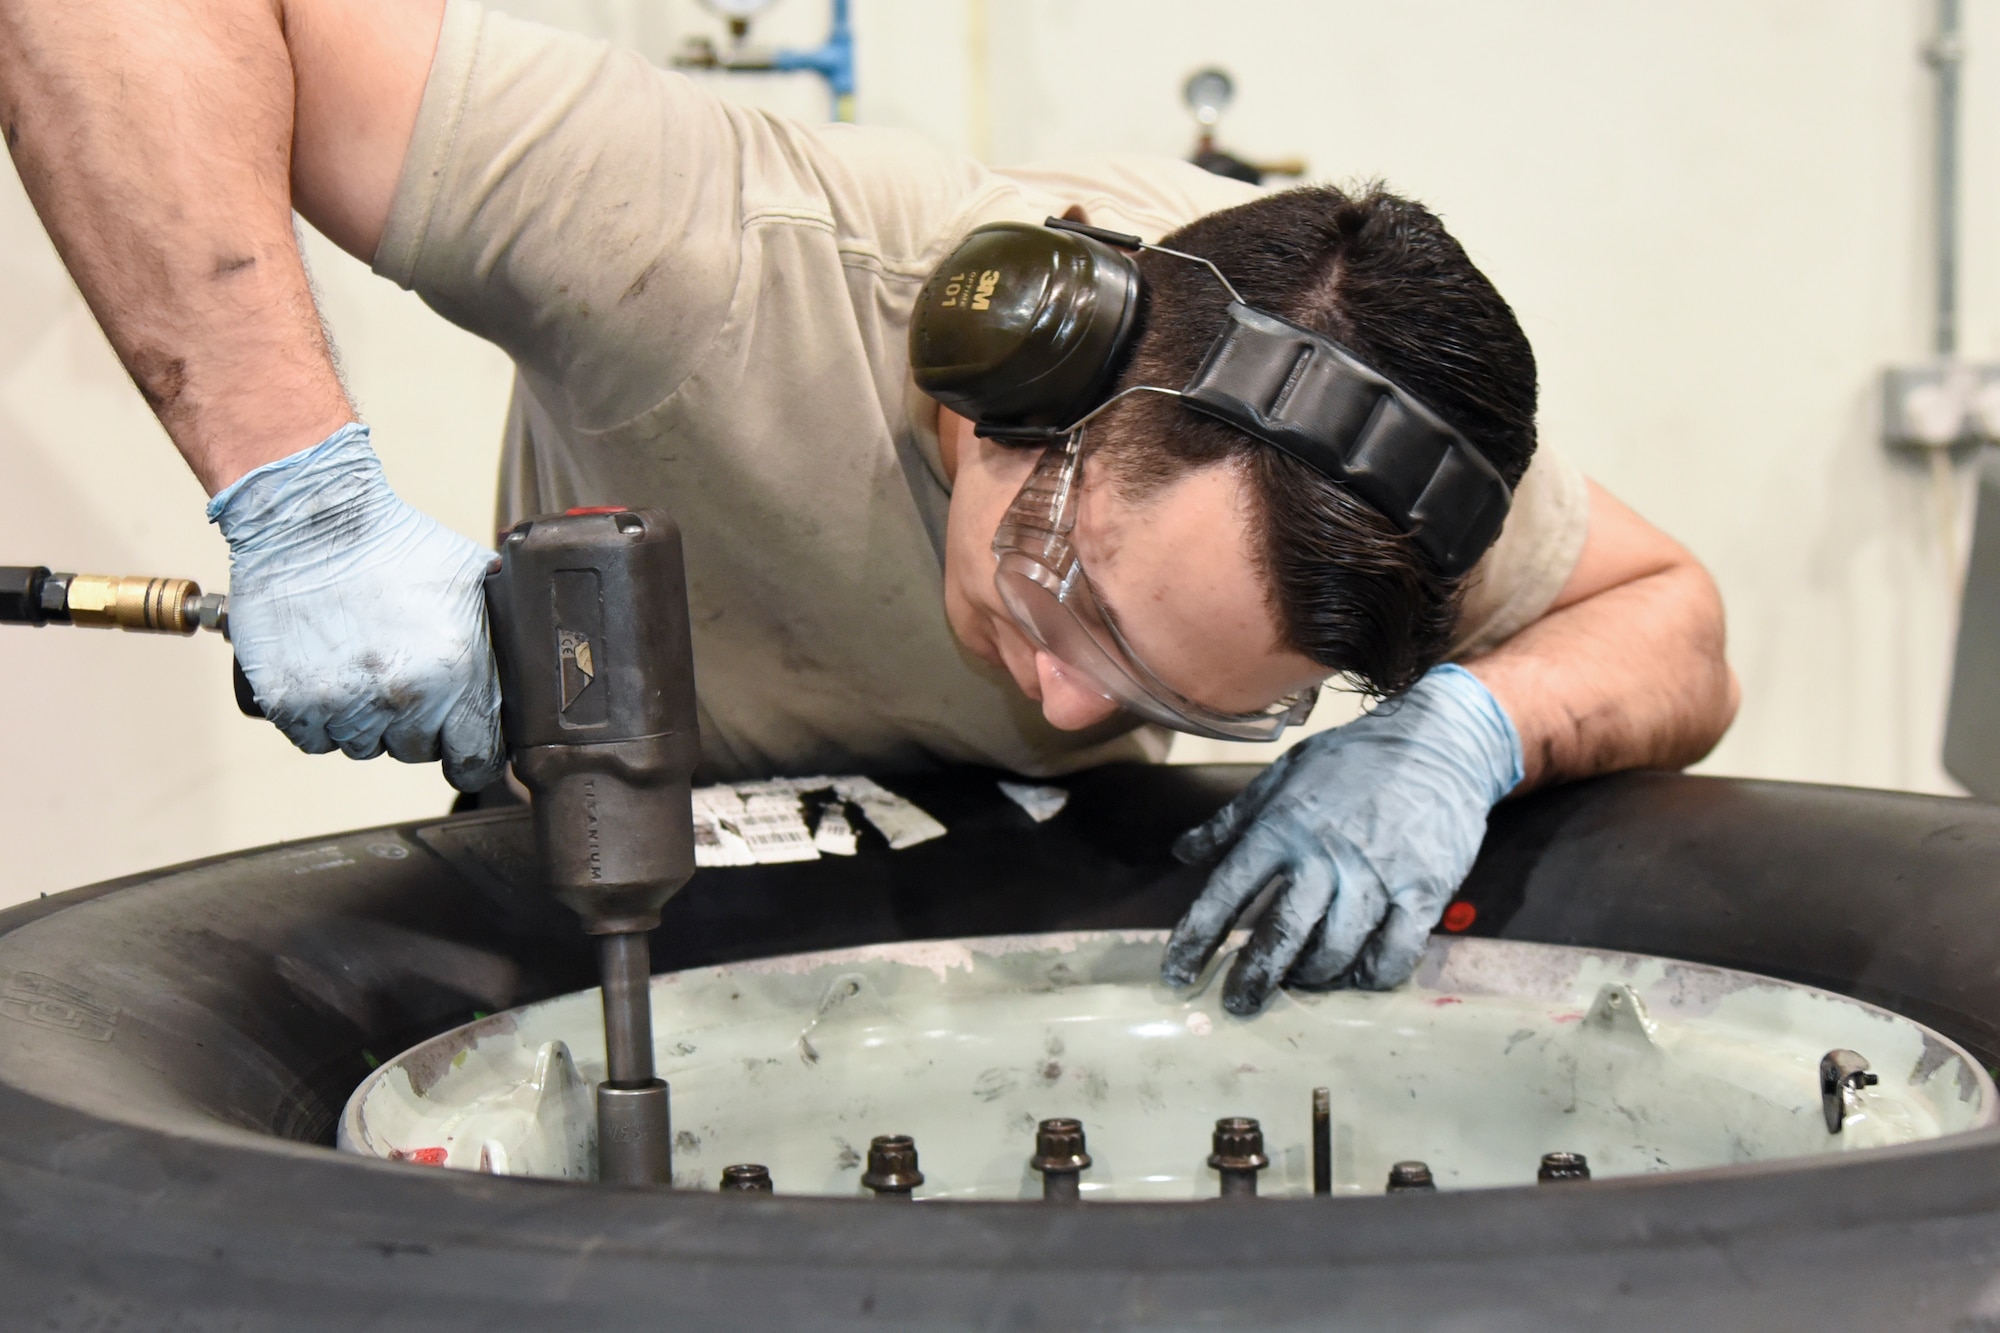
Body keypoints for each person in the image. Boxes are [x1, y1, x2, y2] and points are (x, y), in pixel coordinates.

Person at [0, 0, 1736, 1013]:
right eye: (1081, 607)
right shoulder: (708, 249)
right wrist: (297, 492)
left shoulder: (1354, 472)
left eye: (1168, 702)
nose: (1065, 702)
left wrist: (1462, 728)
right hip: (638, 902)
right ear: (1013, 381)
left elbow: (1675, 618)